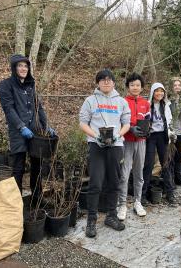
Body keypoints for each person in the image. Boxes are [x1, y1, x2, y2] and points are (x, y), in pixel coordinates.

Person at [0, 54, 56, 204]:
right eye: (20, 66)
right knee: (18, 167)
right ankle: (16, 203)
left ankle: (37, 198)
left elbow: (39, 107)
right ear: (14, 68)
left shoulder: (31, 85)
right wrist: (21, 126)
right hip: (18, 132)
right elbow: (9, 109)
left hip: (35, 131)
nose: (23, 68)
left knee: (37, 165)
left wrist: (46, 125)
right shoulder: (5, 85)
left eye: (26, 66)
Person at [79, 69, 131, 238]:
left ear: (114, 82)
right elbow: (83, 123)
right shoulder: (90, 100)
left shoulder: (122, 102)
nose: (106, 82)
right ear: (98, 83)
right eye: (102, 80)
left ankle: (111, 216)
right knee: (95, 183)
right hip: (96, 146)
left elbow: (126, 124)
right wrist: (95, 136)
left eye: (109, 80)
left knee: (114, 182)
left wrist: (118, 135)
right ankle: (91, 220)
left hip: (116, 146)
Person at [117, 73, 150, 221]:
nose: (135, 87)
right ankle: (122, 204)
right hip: (127, 141)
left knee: (139, 173)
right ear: (128, 87)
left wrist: (147, 130)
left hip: (141, 142)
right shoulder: (122, 102)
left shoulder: (145, 103)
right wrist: (130, 128)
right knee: (124, 174)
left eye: (138, 85)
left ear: (141, 87)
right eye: (132, 85)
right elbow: (118, 121)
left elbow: (149, 120)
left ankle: (138, 202)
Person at [141, 83, 177, 206]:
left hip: (163, 136)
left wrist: (171, 134)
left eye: (162, 91)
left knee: (165, 163)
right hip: (151, 136)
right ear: (152, 92)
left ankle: (170, 193)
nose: (159, 93)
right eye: (157, 91)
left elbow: (170, 121)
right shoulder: (147, 105)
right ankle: (143, 195)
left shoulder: (166, 105)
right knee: (148, 164)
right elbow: (143, 119)